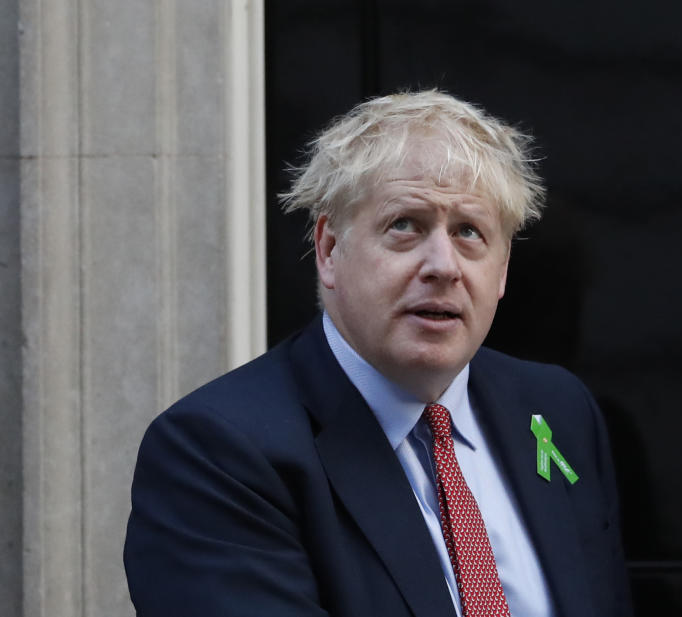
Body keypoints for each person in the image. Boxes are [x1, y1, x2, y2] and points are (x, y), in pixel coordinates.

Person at [124, 90, 632, 617]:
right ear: (329, 249)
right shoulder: (216, 453)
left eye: (469, 232)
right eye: (405, 225)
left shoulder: (557, 410)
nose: (444, 265)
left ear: (501, 271)